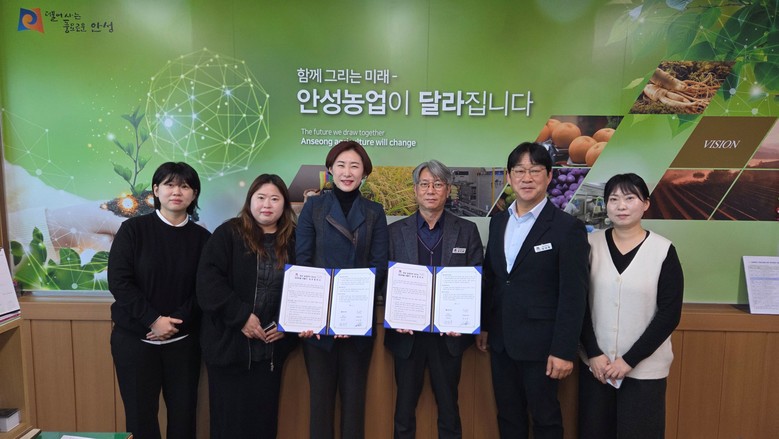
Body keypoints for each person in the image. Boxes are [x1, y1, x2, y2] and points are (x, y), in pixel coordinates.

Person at [477, 142, 589, 439]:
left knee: (545, 419)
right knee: (508, 417)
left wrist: (563, 350)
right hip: (501, 341)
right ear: (509, 177)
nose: (527, 178)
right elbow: (494, 278)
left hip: (543, 346)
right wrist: (485, 326)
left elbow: (574, 295)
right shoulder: (498, 222)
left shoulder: (567, 228)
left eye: (535, 171)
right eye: (519, 171)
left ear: (549, 176)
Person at [108, 162, 211, 439]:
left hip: (183, 343)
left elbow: (205, 289)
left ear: (194, 194)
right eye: (169, 184)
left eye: (185, 186)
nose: (176, 191)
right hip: (134, 341)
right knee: (140, 418)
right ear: (156, 190)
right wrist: (153, 320)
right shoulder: (132, 230)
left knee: (184, 417)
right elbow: (119, 281)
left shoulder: (204, 239)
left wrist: (174, 323)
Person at [578, 173, 684, 439]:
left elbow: (669, 314)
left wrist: (628, 361)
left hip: (644, 370)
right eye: (613, 199)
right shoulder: (590, 245)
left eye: (629, 198)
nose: (621, 206)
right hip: (597, 367)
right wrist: (593, 353)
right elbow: (578, 303)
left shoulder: (663, 251)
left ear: (645, 204)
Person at [383, 160, 483, 439]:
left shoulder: (467, 230)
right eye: (425, 184)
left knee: (450, 410)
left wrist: (464, 319)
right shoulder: (394, 232)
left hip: (448, 337)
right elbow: (385, 280)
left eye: (438, 184)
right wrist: (396, 313)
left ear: (448, 190)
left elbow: (478, 279)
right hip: (407, 336)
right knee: (404, 412)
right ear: (415, 190)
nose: (431, 190)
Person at [296, 140, 389, 439]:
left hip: (357, 324)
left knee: (354, 404)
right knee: (320, 404)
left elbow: (379, 265)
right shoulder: (313, 208)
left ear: (364, 173)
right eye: (341, 165)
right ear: (330, 169)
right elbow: (303, 261)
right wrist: (325, 315)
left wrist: (350, 315)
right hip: (318, 325)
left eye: (354, 166)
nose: (347, 172)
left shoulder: (374, 212)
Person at [197, 174, 298, 439]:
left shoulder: (294, 239)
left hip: (270, 352)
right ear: (250, 200)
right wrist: (242, 317)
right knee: (229, 425)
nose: (267, 204)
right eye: (261, 197)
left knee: (263, 424)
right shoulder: (228, 233)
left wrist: (287, 323)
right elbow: (208, 283)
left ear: (285, 204)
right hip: (230, 348)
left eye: (275, 199)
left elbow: (303, 288)